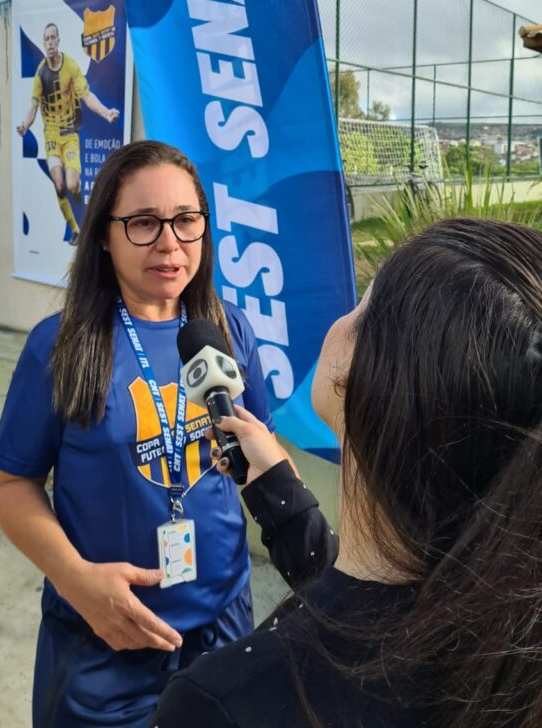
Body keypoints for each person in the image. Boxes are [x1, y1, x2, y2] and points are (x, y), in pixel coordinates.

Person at [155, 218, 542, 728]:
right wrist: (278, 491)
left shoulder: (223, 703)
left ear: (365, 378)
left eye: (363, 303)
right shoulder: (506, 633)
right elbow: (369, 601)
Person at [0, 140, 277, 728]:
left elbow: (263, 452)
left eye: (185, 220)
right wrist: (76, 581)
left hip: (223, 627)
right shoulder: (60, 346)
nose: (169, 243)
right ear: (103, 234)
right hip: (102, 642)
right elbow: (11, 484)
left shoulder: (228, 330)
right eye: (143, 222)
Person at [16, 22, 120, 245]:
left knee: (72, 185)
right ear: (44, 43)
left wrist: (106, 112)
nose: (50, 43)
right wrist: (25, 125)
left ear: (58, 41)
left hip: (70, 133)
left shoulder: (70, 66)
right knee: (59, 185)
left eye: (53, 38)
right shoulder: (40, 74)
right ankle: (75, 230)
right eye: (46, 39)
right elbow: (33, 106)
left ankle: (78, 195)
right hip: (52, 136)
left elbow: (87, 96)